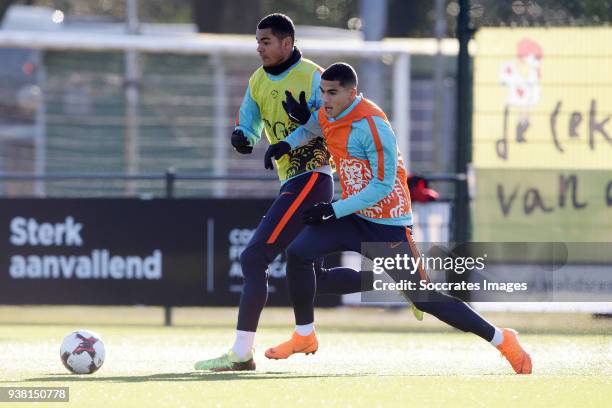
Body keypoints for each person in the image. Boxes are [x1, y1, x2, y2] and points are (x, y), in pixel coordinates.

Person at [263, 62, 532, 375]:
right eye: (323, 92)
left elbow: (382, 186)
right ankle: (305, 336)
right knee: (299, 255)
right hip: (352, 214)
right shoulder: (328, 111)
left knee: (426, 298)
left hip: (387, 224)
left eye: (332, 92)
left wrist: (333, 209)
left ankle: (503, 339)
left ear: (352, 93)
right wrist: (285, 143)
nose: (325, 99)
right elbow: (315, 127)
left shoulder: (373, 127)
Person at [193, 13, 418, 373]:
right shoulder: (256, 81)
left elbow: (328, 122)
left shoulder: (315, 76)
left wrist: (302, 124)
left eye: (266, 41)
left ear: (287, 42)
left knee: (253, 258)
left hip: (311, 178)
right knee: (319, 278)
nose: (260, 47)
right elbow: (248, 123)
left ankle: (241, 353)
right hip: (291, 181)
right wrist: (243, 137)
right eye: (258, 41)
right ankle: (398, 281)